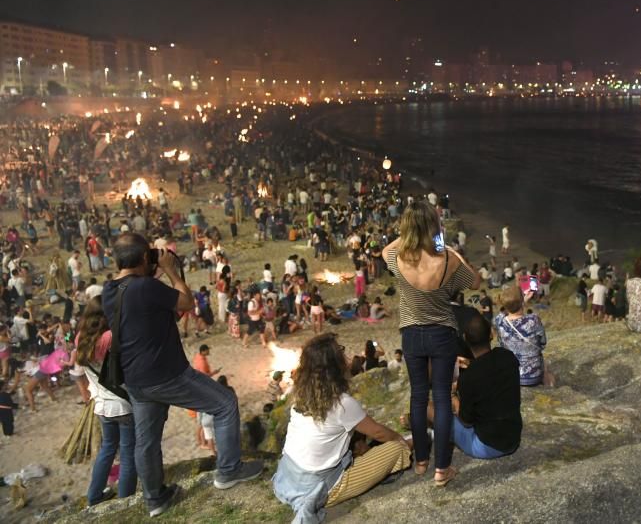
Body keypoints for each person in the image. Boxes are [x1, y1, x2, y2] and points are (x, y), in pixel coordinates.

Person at [102, 233, 262, 517]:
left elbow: (148, 314)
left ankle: (155, 499)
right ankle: (228, 471)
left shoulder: (110, 290)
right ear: (143, 258)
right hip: (166, 374)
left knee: (147, 441)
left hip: (135, 380)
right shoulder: (146, 287)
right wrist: (170, 270)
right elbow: (187, 303)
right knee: (225, 404)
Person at [382, 200, 478, 486]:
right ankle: (442, 469)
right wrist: (446, 247)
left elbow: (384, 249)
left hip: (411, 333)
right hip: (442, 334)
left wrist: (409, 230)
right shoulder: (447, 259)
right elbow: (474, 282)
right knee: (442, 399)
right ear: (434, 227)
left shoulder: (397, 257)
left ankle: (421, 461)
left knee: (417, 396)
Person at [272, 333, 411, 523]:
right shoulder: (342, 403)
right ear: (334, 365)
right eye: (341, 351)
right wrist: (402, 439)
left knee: (356, 438)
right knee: (396, 448)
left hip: (288, 477)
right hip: (323, 486)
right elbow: (379, 432)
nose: (345, 356)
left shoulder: (301, 394)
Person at [75, 298, 138, 506]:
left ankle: (94, 496)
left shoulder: (79, 339)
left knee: (108, 449)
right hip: (121, 404)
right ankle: (124, 499)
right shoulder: (110, 338)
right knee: (128, 454)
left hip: (100, 405)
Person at [451, 313, 521, 459]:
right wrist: (472, 365)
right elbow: (491, 372)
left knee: (432, 409)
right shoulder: (507, 357)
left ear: (465, 339)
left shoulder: (468, 378)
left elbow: (466, 421)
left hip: (487, 446)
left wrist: (453, 396)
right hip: (513, 438)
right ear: (491, 334)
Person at [493, 286, 548, 387]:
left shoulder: (499, 320)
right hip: (534, 376)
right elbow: (543, 344)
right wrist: (522, 302)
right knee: (548, 370)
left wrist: (520, 302)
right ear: (522, 301)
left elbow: (506, 313)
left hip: (513, 375)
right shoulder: (533, 320)